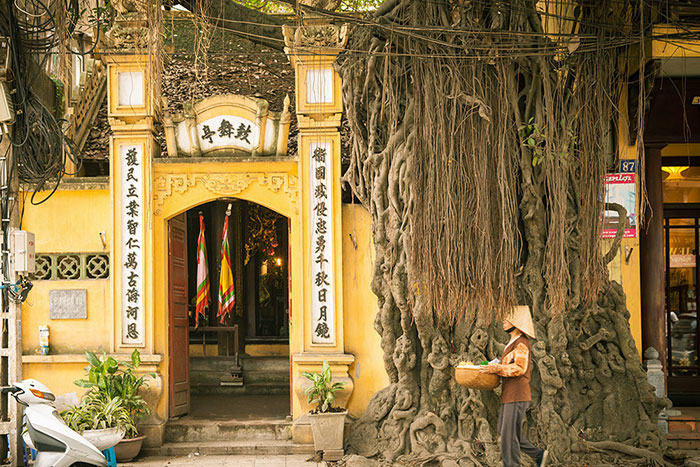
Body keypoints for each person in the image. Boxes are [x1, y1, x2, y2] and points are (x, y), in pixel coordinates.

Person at [481, 305, 549, 467]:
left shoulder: (521, 343)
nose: (503, 321)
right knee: (506, 433)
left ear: (517, 323)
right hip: (510, 394)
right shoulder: (512, 342)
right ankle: (539, 455)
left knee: (507, 436)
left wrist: (497, 368)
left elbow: (519, 368)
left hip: (517, 394)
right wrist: (495, 364)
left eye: (507, 319)